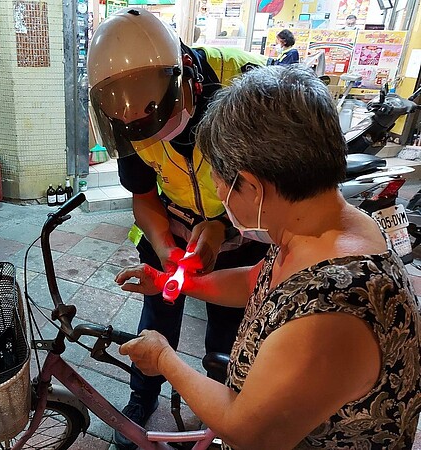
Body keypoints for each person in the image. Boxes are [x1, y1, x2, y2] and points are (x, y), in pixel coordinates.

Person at [115, 65, 421, 448]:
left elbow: (248, 431)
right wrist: (168, 280)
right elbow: (255, 282)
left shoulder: (332, 310)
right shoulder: (316, 225)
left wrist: (163, 358)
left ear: (255, 189)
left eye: (221, 182)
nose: (219, 194)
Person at [86, 7, 270, 449]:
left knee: (228, 330)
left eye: (162, 129)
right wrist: (166, 248)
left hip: (244, 230)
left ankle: (217, 413)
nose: (155, 144)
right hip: (175, 226)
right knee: (158, 314)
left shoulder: (246, 89)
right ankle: (140, 399)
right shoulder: (124, 112)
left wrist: (223, 231)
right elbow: (144, 196)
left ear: (186, 84)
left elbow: (269, 199)